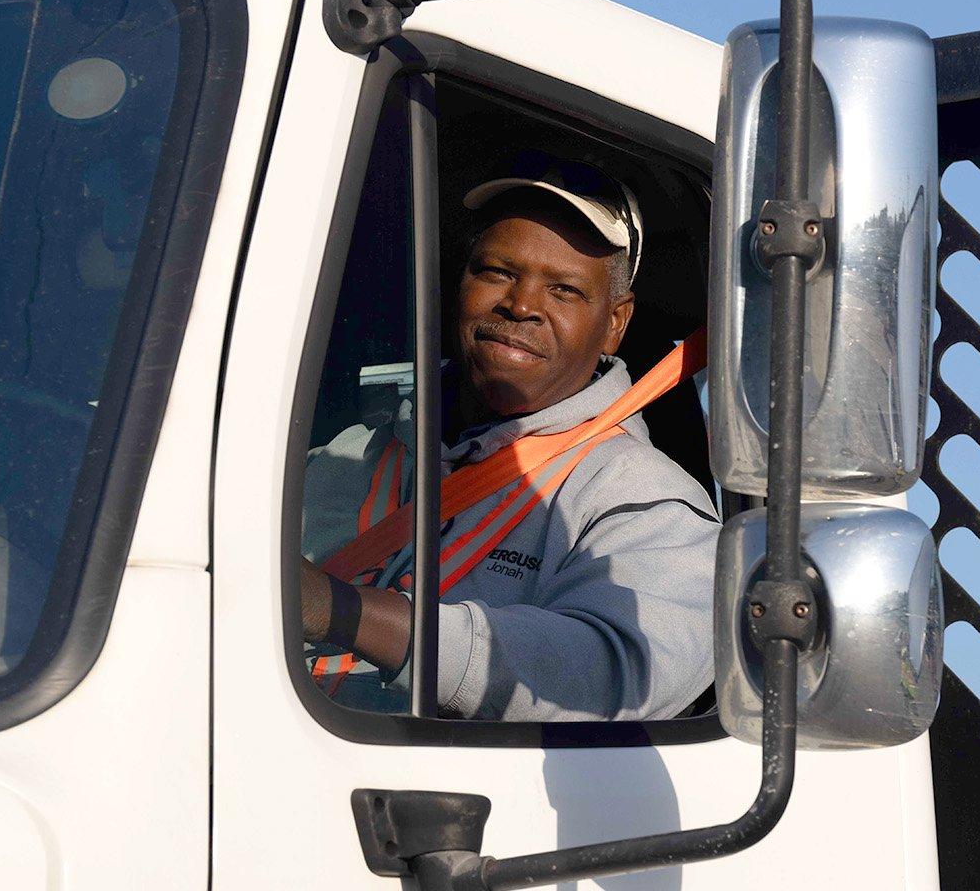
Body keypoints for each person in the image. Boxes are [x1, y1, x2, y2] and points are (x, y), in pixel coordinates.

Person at [297, 162, 720, 722]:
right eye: (496, 272)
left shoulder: (643, 497)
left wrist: (343, 612)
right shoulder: (353, 449)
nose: (520, 305)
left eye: (564, 290)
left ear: (614, 323)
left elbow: (617, 674)